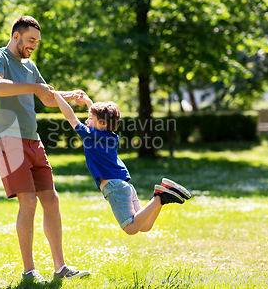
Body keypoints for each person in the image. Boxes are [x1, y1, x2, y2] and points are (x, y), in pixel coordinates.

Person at [0, 16, 90, 283]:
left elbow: (46, 96)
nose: (34, 46)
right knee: (28, 201)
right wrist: (34, 87)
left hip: (33, 140)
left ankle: (60, 267)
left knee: (51, 199)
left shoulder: (30, 66)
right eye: (30, 40)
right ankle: (29, 271)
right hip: (8, 140)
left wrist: (68, 95)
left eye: (37, 42)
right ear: (16, 36)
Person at [52, 91, 191, 235]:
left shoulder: (90, 135)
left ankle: (159, 197)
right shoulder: (111, 136)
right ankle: (161, 196)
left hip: (114, 187)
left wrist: (58, 97)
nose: (87, 121)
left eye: (89, 118)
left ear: (102, 123)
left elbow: (71, 117)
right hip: (125, 186)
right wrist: (88, 103)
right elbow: (99, 119)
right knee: (145, 225)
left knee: (131, 228)